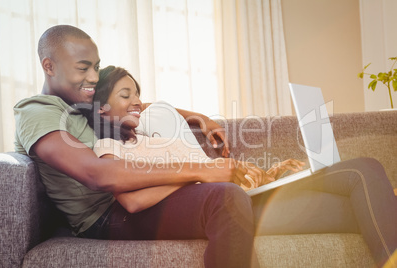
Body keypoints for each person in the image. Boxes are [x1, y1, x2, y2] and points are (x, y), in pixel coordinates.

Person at [14, 24, 286, 268]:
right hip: (106, 216)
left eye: (96, 67)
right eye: (83, 68)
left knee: (260, 202)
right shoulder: (37, 112)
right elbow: (97, 174)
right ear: (49, 66)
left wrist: (199, 117)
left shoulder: (80, 102)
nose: (94, 77)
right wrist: (201, 170)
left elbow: (134, 105)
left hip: (137, 195)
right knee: (224, 198)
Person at [85, 65, 397, 267]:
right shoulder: (108, 145)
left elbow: (151, 106)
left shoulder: (149, 129)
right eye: (126, 94)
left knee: (365, 172)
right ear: (102, 109)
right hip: (224, 203)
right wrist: (203, 174)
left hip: (238, 195)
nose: (137, 100)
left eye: (138, 92)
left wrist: (202, 120)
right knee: (359, 202)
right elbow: (133, 200)